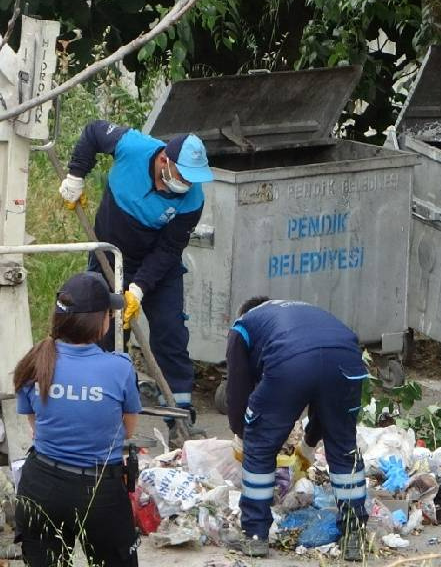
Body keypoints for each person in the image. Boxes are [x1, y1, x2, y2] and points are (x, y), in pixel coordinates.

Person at [61, 121, 213, 438]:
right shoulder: (132, 146)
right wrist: (76, 175)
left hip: (159, 266)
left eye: (193, 178)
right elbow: (91, 132)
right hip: (110, 256)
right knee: (107, 334)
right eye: (184, 175)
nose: (188, 183)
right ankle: (103, 414)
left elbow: (170, 248)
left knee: (170, 333)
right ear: (163, 161)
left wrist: (140, 287)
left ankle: (179, 418)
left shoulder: (193, 200)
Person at [225, 298, 370, 560]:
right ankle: (354, 534)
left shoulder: (244, 325)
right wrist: (308, 445)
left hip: (291, 363)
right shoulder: (302, 313)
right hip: (346, 358)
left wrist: (242, 433)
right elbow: (323, 398)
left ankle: (255, 535)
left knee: (260, 445)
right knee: (344, 446)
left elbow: (237, 387)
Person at [14, 272, 140, 567]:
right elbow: (127, 431)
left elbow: (35, 426)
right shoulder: (118, 369)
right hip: (99, 494)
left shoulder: (33, 362)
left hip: (40, 487)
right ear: (101, 322)